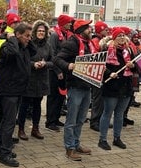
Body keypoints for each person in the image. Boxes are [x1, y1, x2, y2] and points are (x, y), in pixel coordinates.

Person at [0, 22, 36, 167]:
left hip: (17, 89)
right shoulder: (8, 46)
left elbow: (34, 51)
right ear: (17, 35)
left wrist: (23, 39)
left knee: (5, 121)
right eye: (26, 36)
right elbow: (12, 52)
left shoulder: (23, 47)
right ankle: (5, 154)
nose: (29, 39)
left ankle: (0, 148)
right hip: (8, 90)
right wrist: (11, 38)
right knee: (9, 122)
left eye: (30, 36)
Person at [54, 19, 94, 161]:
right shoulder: (72, 43)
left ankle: (76, 143)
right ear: (81, 30)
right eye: (88, 27)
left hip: (87, 85)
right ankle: (69, 148)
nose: (90, 29)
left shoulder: (90, 44)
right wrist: (69, 65)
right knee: (71, 120)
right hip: (75, 86)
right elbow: (57, 59)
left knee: (81, 119)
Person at [98, 28, 135, 151]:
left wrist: (132, 65)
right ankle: (102, 139)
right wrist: (109, 73)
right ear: (114, 38)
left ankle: (117, 138)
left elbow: (136, 68)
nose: (122, 38)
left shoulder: (128, 50)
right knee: (107, 113)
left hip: (126, 87)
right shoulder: (106, 50)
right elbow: (100, 66)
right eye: (119, 36)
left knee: (119, 114)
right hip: (112, 87)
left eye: (123, 35)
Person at [17, 20, 53, 141]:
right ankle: (21, 129)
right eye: (39, 30)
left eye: (43, 31)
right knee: (24, 104)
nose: (41, 33)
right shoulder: (29, 43)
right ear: (35, 31)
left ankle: (35, 128)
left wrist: (45, 63)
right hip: (29, 78)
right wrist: (33, 64)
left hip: (42, 79)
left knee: (37, 104)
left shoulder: (48, 45)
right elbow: (23, 59)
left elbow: (53, 61)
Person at [45, 14, 74, 132]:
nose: (70, 24)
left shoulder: (67, 35)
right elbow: (52, 55)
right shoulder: (55, 35)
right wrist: (57, 71)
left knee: (61, 96)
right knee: (53, 96)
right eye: (68, 22)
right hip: (54, 71)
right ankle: (50, 121)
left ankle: (56, 118)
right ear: (63, 23)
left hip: (64, 70)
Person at [89, 21, 110, 132]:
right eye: (105, 29)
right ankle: (95, 121)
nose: (107, 31)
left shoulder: (101, 40)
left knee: (102, 98)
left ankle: (100, 119)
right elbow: (95, 56)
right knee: (97, 98)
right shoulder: (95, 41)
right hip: (97, 73)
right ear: (100, 30)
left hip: (102, 73)